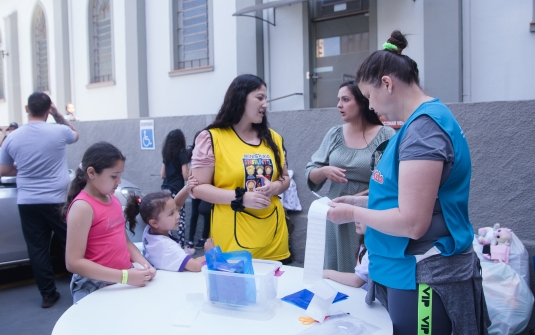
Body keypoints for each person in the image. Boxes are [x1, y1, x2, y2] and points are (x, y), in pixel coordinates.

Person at [326, 31, 490, 334]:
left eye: (370, 96)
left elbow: (413, 221)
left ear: (387, 84)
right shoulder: (417, 125)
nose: (371, 106)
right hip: (405, 270)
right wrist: (359, 202)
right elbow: (407, 198)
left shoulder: (424, 130)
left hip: (425, 275)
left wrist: (351, 214)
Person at [190, 74, 291, 263]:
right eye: (260, 98)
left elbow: (285, 177)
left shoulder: (274, 138)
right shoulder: (211, 138)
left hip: (274, 237)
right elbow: (197, 187)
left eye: (265, 98)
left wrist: (276, 187)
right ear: (240, 97)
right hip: (231, 240)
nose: (265, 104)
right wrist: (242, 198)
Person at [305, 81, 395, 272]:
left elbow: (392, 181)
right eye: (338, 100)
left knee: (361, 272)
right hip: (335, 214)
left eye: (345, 100)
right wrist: (324, 171)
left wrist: (358, 200)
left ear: (362, 102)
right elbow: (311, 174)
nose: (339, 105)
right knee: (334, 271)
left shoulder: (385, 135)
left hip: (367, 215)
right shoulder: (334, 134)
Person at [0, 92, 78, 308]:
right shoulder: (59, 131)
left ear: (27, 109)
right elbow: (76, 134)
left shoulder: (12, 137)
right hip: (57, 199)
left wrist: (24, 168)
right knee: (70, 242)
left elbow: (4, 170)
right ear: (48, 109)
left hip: (28, 201)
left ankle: (47, 294)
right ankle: (83, 284)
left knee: (37, 248)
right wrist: (58, 115)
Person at [64, 142, 156, 304]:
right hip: (95, 287)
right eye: (114, 176)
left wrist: (145, 265)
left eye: (120, 175)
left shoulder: (112, 198)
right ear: (91, 172)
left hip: (121, 281)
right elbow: (73, 262)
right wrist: (125, 276)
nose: (119, 181)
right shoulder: (82, 207)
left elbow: (125, 241)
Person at [124, 189, 215, 272]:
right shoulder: (167, 247)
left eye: (175, 210)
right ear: (154, 223)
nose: (178, 215)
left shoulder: (151, 229)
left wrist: (187, 188)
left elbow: (178, 204)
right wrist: (209, 253)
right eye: (171, 213)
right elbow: (195, 266)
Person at [160, 129, 193, 255]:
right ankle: (180, 249)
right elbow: (185, 176)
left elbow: (162, 174)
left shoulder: (166, 155)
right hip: (177, 191)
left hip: (165, 190)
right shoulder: (181, 154)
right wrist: (191, 170)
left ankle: (168, 247)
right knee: (180, 219)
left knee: (165, 218)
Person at [186, 131, 211, 250]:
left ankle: (202, 238)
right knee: (197, 213)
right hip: (196, 187)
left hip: (203, 187)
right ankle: (192, 239)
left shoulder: (207, 153)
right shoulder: (192, 153)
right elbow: (188, 173)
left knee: (204, 213)